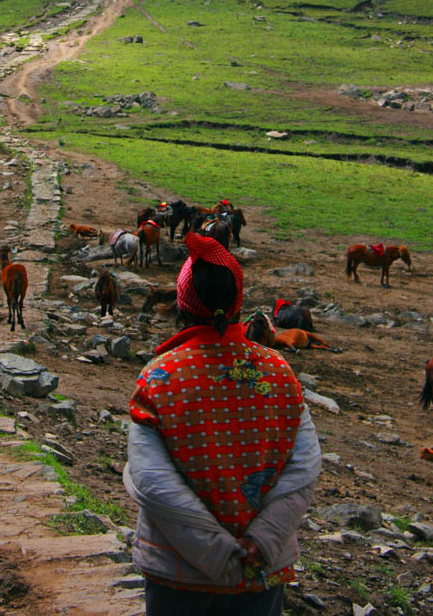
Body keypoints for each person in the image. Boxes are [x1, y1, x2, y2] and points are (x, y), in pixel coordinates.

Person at [124, 232, 321, 616]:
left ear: (182, 303)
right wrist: (259, 542)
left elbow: (151, 479)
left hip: (179, 572)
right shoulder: (280, 373)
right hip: (260, 570)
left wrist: (216, 552)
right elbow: (305, 469)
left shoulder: (160, 376)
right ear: (237, 302)